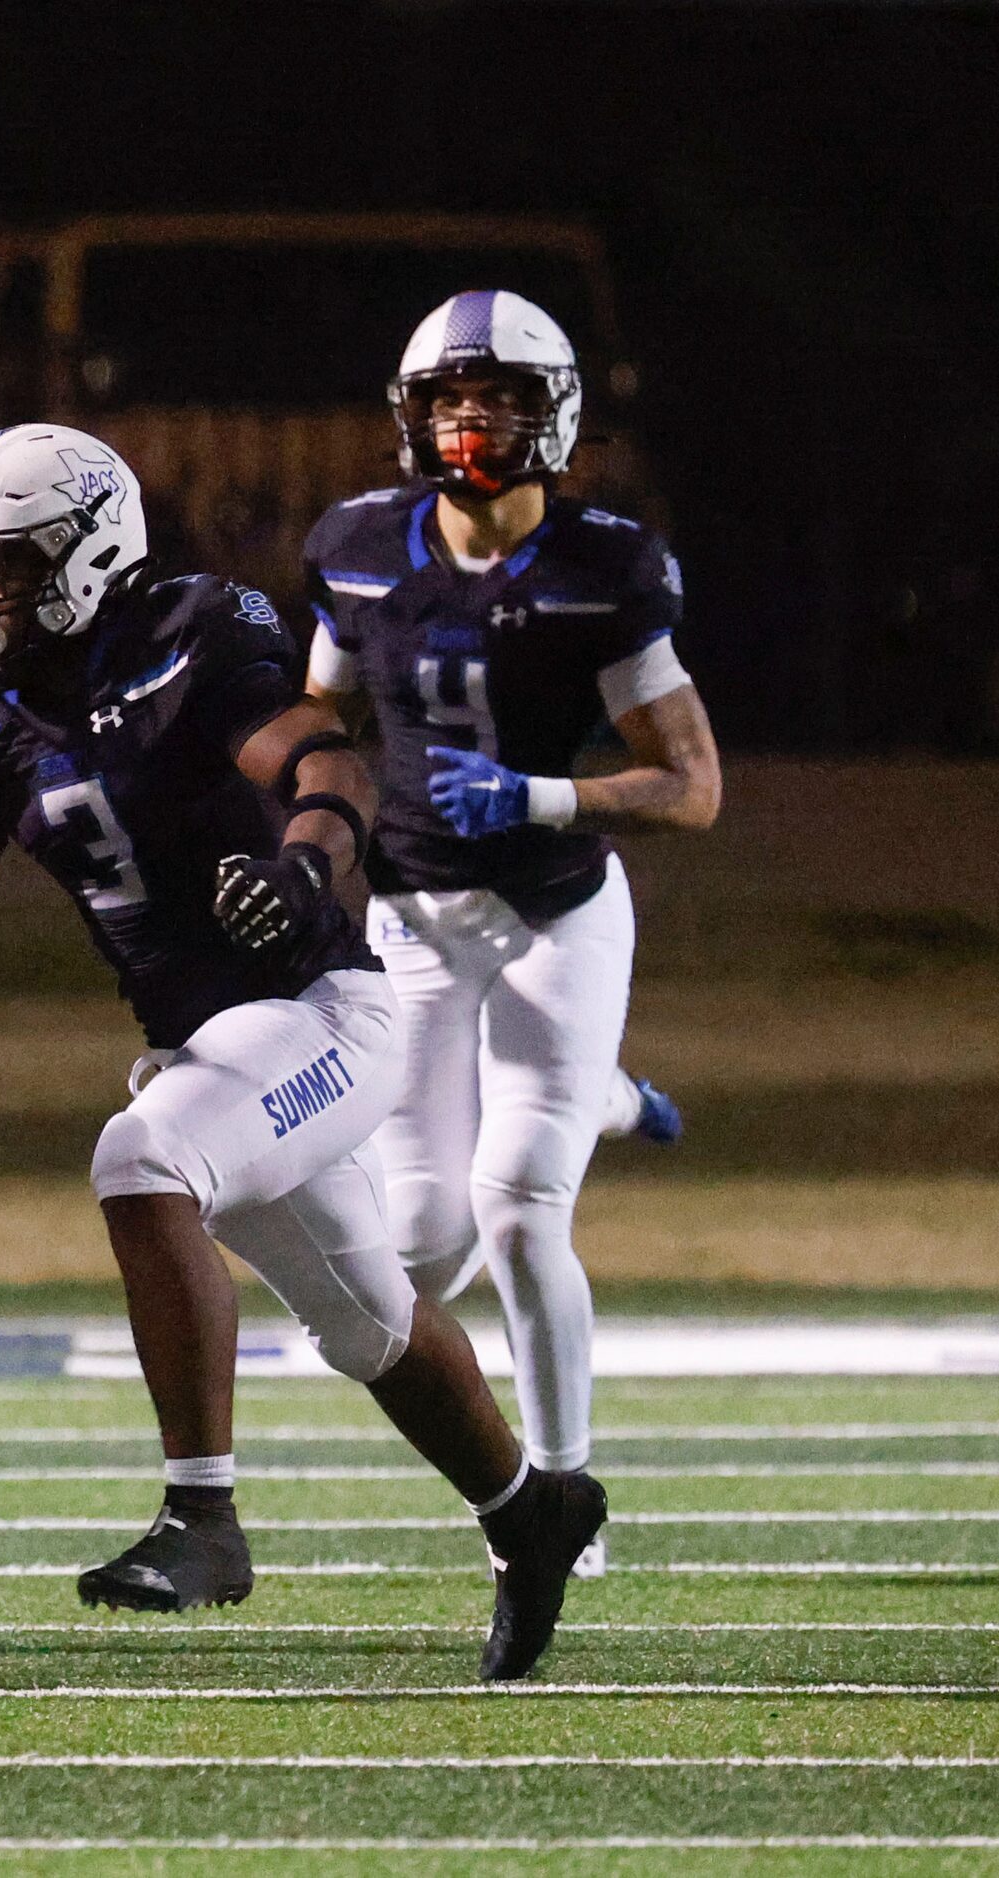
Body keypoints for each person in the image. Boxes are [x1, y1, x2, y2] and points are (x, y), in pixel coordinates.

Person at [0, 423, 604, 1679]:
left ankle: (203, 1518)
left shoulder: (183, 631)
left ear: (90, 549)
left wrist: (303, 865)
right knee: (370, 1328)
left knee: (144, 1160)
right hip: (205, 1044)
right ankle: (531, 1509)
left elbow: (327, 761)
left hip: (323, 1011)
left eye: (4, 566)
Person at [303, 291, 722, 1571]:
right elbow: (315, 728)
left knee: (521, 1210)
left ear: (557, 416)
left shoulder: (605, 566)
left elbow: (692, 787)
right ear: (411, 415)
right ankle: (595, 1095)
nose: (471, 422)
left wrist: (548, 794)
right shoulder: (359, 546)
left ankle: (557, 1502)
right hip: (418, 917)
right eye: (449, 399)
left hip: (556, 914)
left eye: (499, 400)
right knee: (421, 1244)